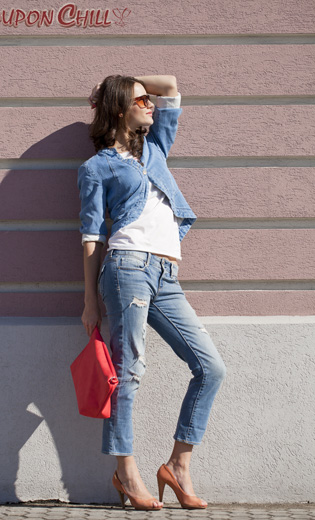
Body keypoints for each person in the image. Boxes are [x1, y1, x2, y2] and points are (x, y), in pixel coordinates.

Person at [78, 74, 226, 511]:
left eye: (149, 99)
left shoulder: (156, 147)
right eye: (140, 100)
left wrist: (132, 82)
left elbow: (172, 86)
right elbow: (90, 235)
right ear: (120, 109)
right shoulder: (97, 167)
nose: (151, 104)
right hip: (126, 267)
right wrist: (90, 299)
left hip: (166, 274)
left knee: (211, 368)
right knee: (129, 371)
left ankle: (177, 466)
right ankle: (126, 472)